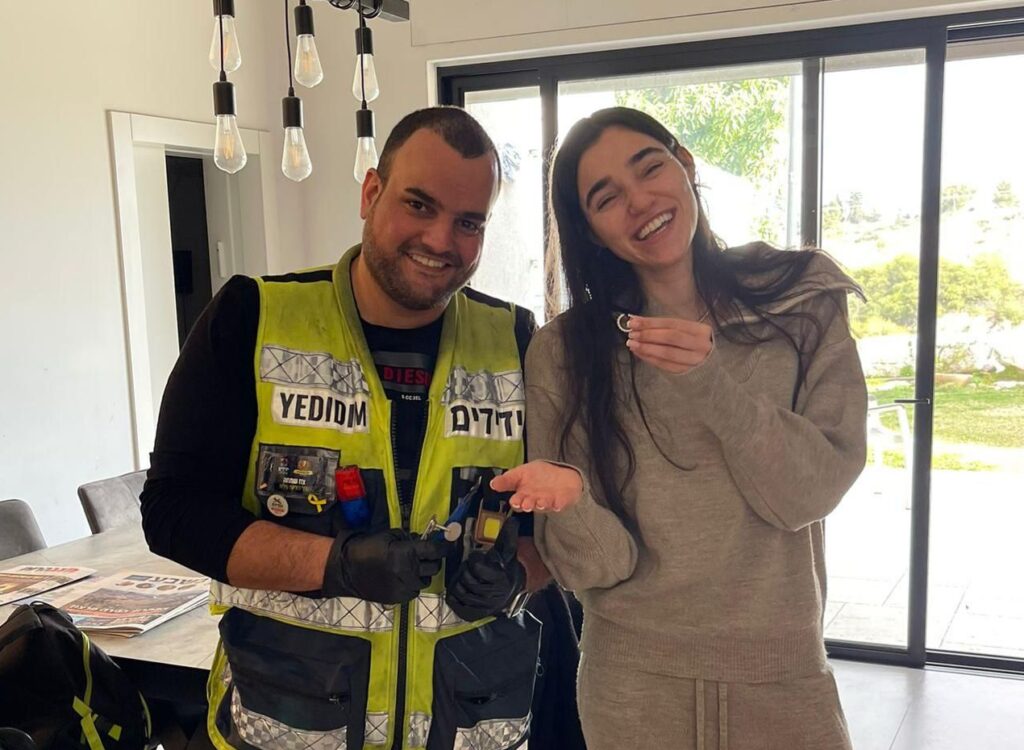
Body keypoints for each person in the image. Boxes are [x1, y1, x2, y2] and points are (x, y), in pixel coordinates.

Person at [141, 106, 584, 750]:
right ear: (371, 193)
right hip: (286, 726)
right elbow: (173, 513)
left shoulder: (517, 342)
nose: (441, 240)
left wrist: (518, 574)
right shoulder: (252, 319)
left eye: (469, 222)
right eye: (419, 204)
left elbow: (564, 523)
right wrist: (335, 564)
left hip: (470, 725)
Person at [496, 106, 868, 750]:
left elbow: (806, 495)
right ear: (590, 229)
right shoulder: (565, 352)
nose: (639, 202)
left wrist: (710, 383)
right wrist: (573, 501)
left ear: (685, 164)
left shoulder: (799, 297)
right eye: (606, 198)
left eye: (649, 168)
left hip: (783, 681)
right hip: (631, 688)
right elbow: (595, 566)